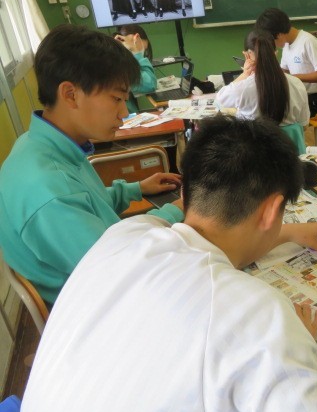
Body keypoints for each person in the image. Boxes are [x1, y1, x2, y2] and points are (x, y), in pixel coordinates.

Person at [17, 115, 317, 412]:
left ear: (187, 189)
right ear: (272, 210)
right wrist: (292, 343)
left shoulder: (126, 234)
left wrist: (285, 232)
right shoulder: (258, 319)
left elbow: (213, 243)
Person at [0, 24, 183, 305]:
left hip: (98, 274)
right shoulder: (48, 192)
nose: (123, 112)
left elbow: (84, 203)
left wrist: (136, 189)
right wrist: (175, 212)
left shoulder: (38, 144)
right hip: (97, 304)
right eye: (116, 99)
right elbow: (123, 269)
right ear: (70, 94)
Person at [215, 29, 310, 127]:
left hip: (254, 137)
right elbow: (304, 125)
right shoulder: (297, 83)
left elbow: (219, 100)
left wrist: (245, 74)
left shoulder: (242, 88)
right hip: (288, 138)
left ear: (247, 55)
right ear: (275, 53)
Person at [256, 7, 317, 116]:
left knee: (276, 116)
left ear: (279, 34)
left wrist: (294, 78)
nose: (272, 44)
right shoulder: (286, 44)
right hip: (296, 96)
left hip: (313, 100)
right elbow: (284, 71)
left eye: (271, 41)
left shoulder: (308, 41)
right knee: (265, 108)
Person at [114, 24, 157, 113]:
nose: (143, 53)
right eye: (143, 48)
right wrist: (137, 53)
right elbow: (150, 85)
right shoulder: (118, 63)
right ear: (136, 38)